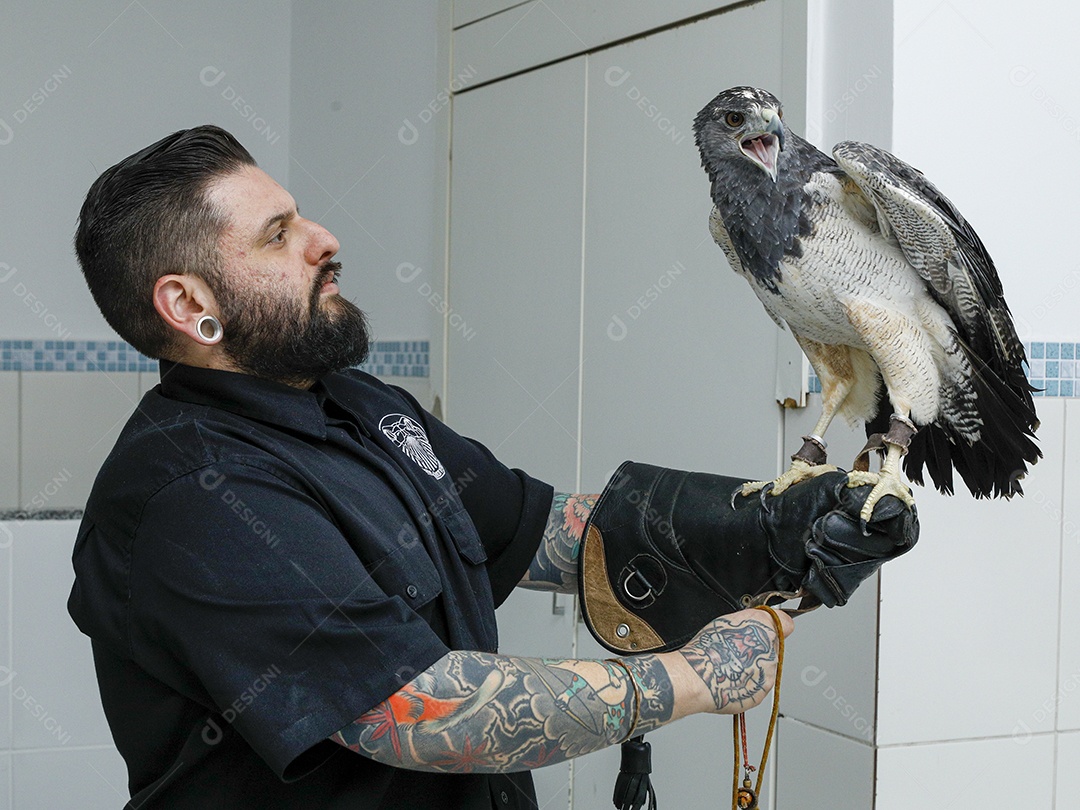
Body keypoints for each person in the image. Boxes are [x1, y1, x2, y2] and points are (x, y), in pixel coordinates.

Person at [67, 126, 916, 810]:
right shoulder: (191, 496)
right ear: (190, 305)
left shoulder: (359, 403)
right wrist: (689, 680)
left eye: (301, 217)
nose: (324, 240)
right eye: (278, 235)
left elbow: (545, 530)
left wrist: (766, 528)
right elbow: (417, 710)